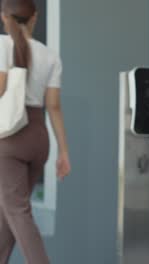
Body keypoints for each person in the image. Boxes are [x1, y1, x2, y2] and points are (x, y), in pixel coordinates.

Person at [0, 0, 71, 263]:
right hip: (38, 138)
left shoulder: (2, 46)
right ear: (34, 18)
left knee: (17, 211)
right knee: (8, 212)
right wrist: (63, 151)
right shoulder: (51, 56)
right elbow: (53, 106)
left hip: (9, 137)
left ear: (5, 18)